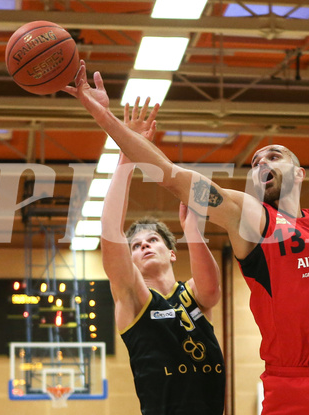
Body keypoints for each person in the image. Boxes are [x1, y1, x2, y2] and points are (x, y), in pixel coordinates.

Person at [64, 61, 309, 415]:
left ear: (299, 173)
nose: (261, 163)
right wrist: (105, 120)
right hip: (295, 383)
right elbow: (171, 175)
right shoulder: (249, 216)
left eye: (273, 156)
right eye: (254, 162)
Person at [100, 98, 225, 415]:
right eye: (136, 245)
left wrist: (191, 228)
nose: (143, 245)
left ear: (172, 253)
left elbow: (212, 290)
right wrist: (128, 150)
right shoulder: (134, 298)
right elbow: (110, 227)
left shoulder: (193, 295)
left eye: (152, 239)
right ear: (130, 261)